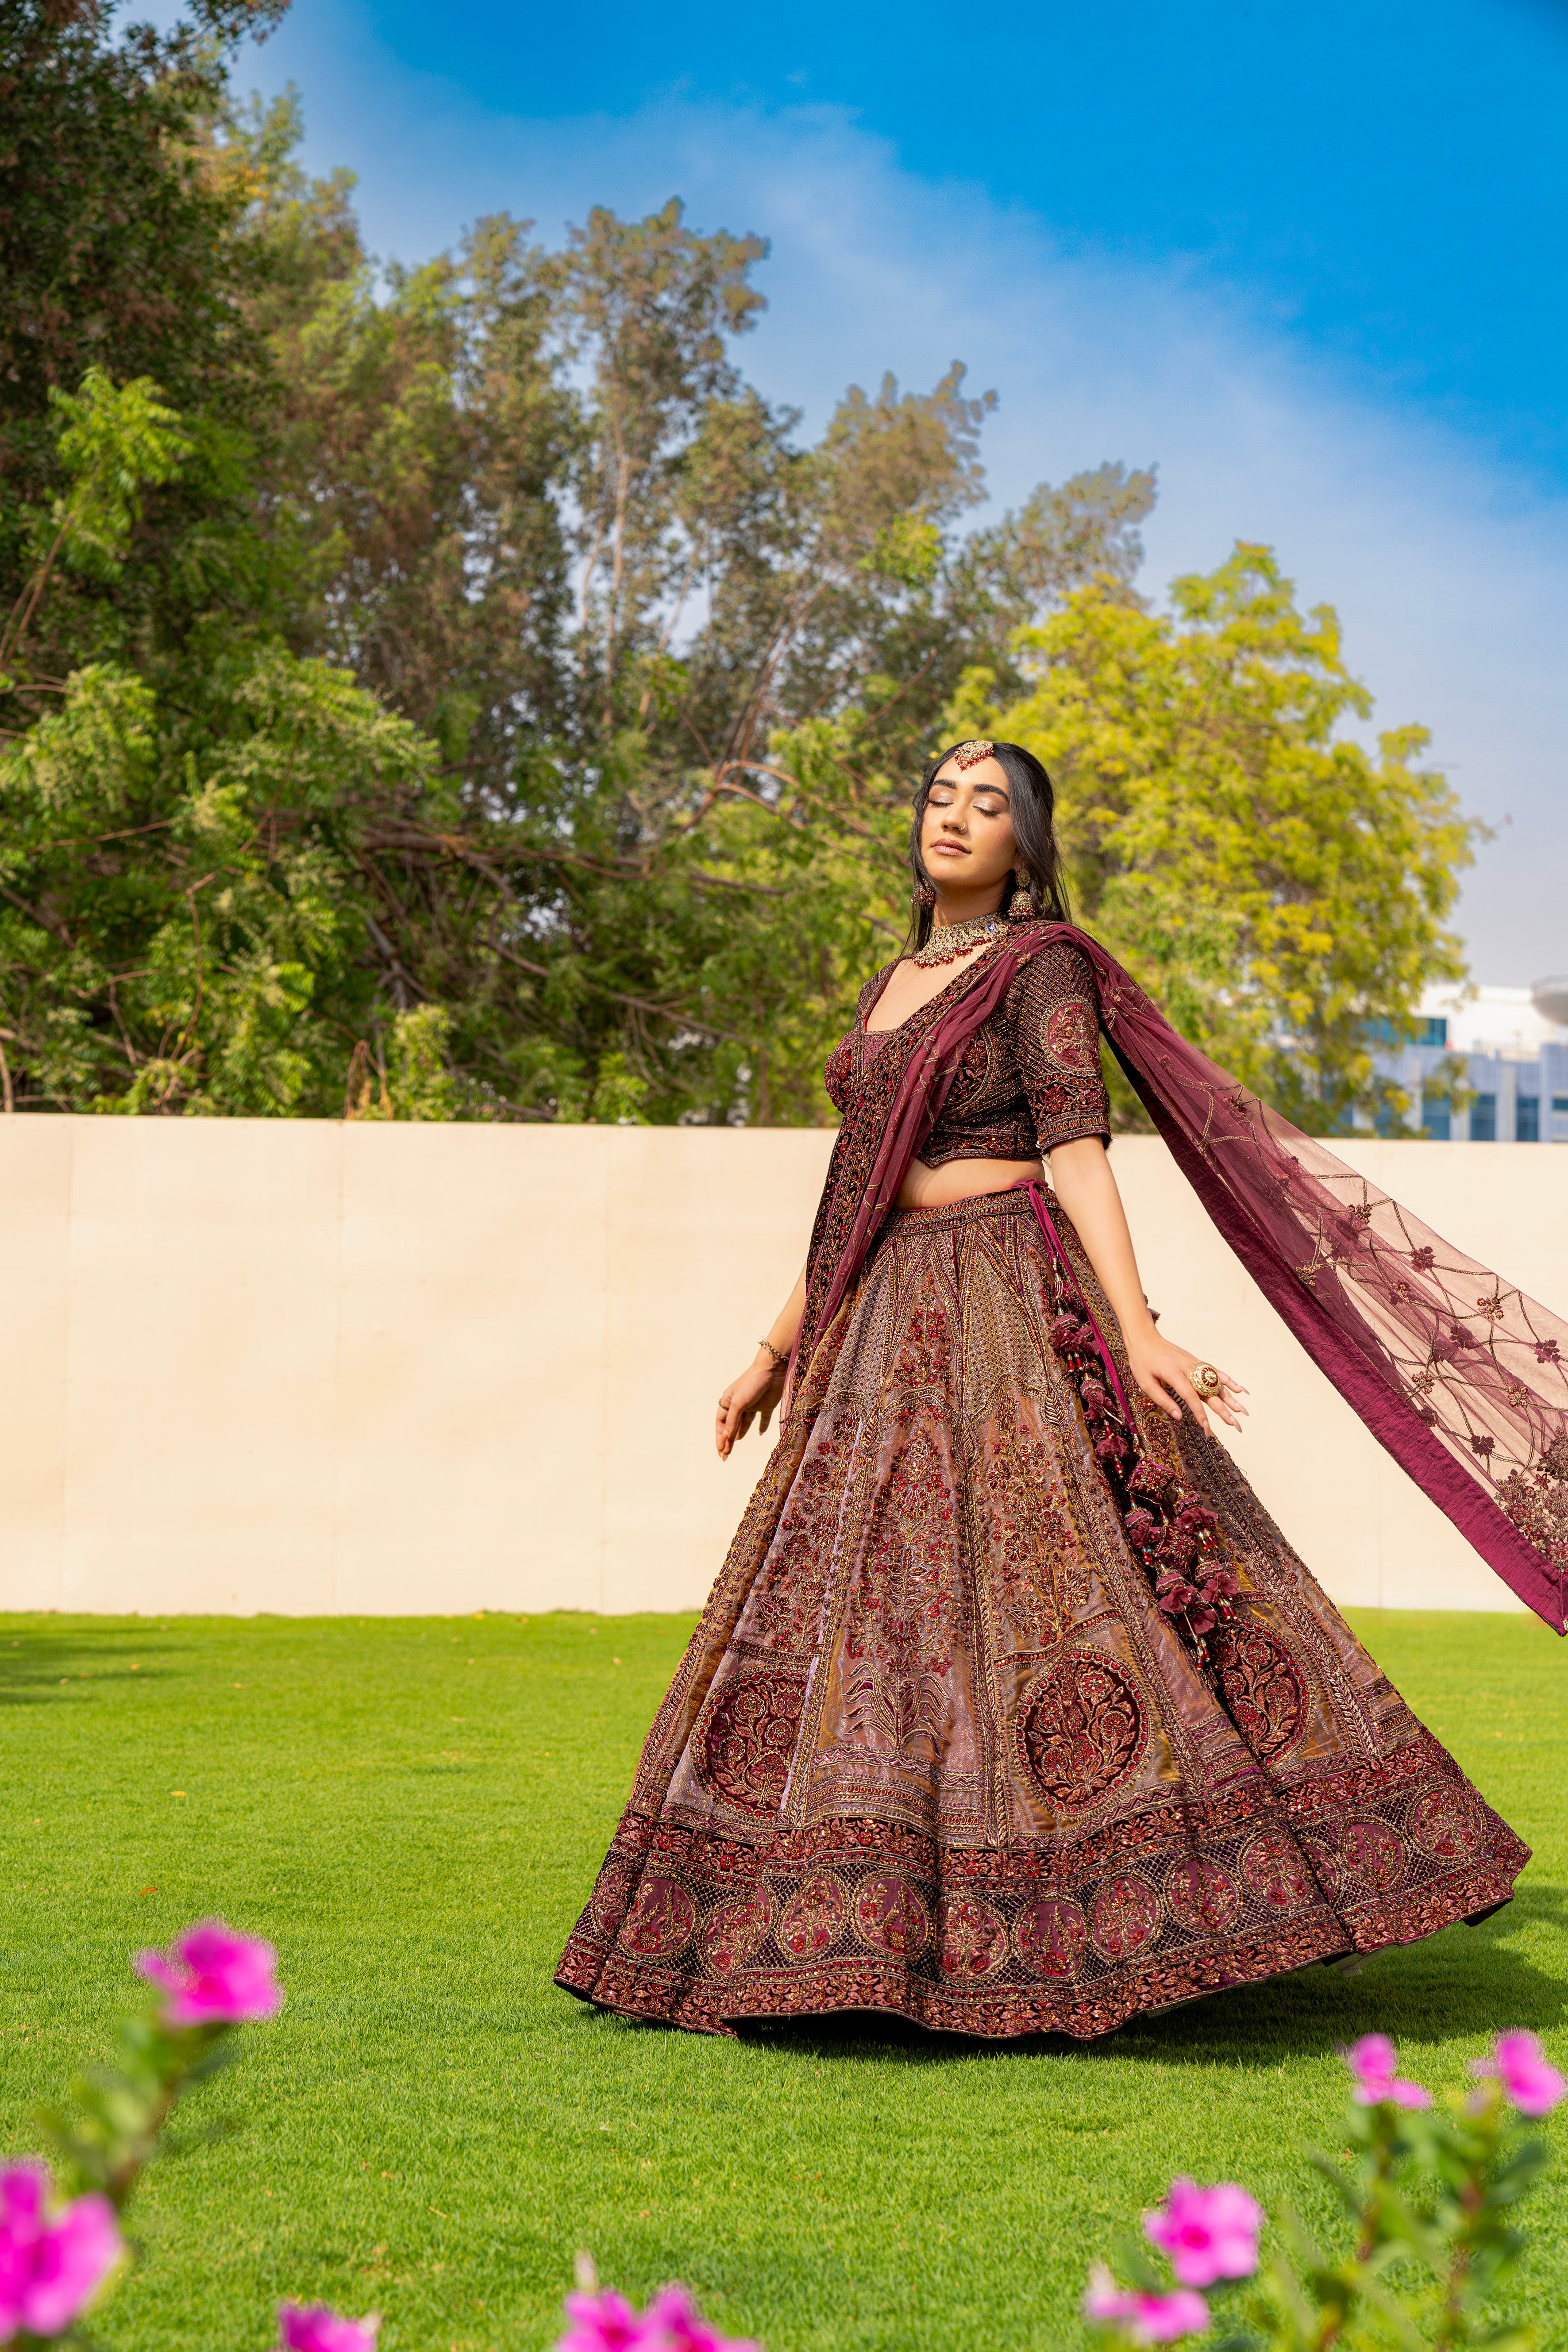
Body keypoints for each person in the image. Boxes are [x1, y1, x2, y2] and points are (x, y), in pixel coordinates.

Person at [556, 738, 1542, 2039]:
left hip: (1016, 1305)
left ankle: (1182, 1897)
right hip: (879, 1320)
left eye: (989, 804)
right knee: (875, 1614)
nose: (955, 818)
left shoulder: (1042, 966)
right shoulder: (893, 982)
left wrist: (1139, 1332)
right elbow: (853, 1194)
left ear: (1027, 843)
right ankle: (849, 1929)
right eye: (940, 796)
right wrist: (772, 1351)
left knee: (1070, 1588)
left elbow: (1077, 1154)